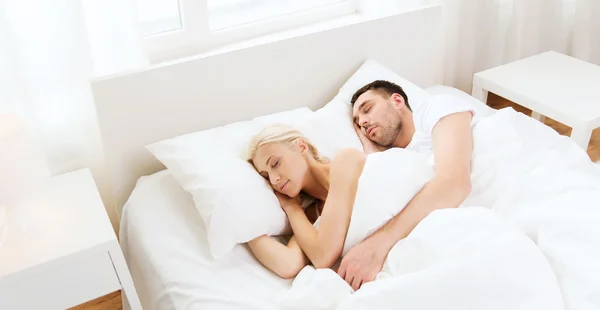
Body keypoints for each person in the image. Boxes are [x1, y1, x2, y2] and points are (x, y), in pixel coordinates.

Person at [336, 80, 477, 290]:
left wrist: (377, 245)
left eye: (368, 109)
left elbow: (455, 183)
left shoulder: (433, 110)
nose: (363, 122)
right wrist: (370, 151)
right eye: (358, 122)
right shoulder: (400, 159)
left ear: (397, 100)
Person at [245, 124, 366, 280]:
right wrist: (243, 224)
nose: (274, 180)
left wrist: (293, 209)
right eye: (266, 176)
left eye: (275, 164)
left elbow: (323, 256)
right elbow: (288, 264)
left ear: (301, 146)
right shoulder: (310, 216)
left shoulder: (346, 160)